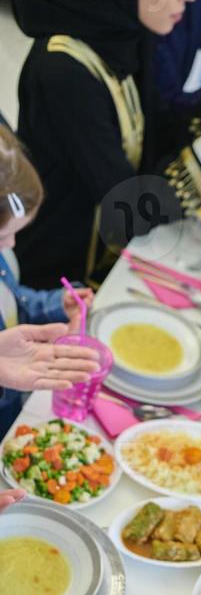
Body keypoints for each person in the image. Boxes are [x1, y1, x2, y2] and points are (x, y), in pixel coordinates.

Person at [11, 0, 201, 290]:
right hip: (60, 285)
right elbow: (129, 211)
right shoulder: (63, 73)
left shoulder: (122, 35)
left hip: (118, 260)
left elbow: (155, 132)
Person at [0, 125, 98, 436]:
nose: (12, 245)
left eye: (17, 232)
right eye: (3, 235)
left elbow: (13, 301)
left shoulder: (2, 258)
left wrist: (55, 304)